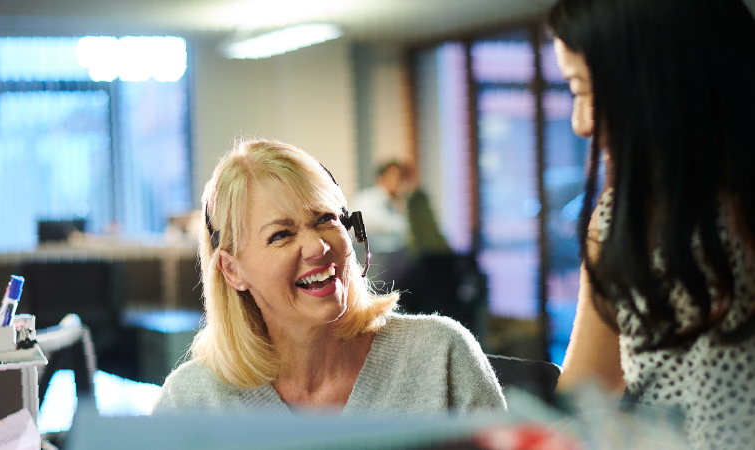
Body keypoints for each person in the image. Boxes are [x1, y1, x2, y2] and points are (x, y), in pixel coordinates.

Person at [153, 138, 506, 414]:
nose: (317, 247)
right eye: (281, 235)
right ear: (232, 270)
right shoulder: (191, 401)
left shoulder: (440, 355)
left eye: (325, 220)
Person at [548, 0, 755, 448]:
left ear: (662, 83)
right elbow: (587, 394)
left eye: (584, 90)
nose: (579, 123)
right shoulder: (619, 221)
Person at [348, 161, 409, 254]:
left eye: (401, 178)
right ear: (381, 178)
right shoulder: (364, 200)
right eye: (394, 177)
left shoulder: (395, 204)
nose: (398, 182)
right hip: (371, 258)